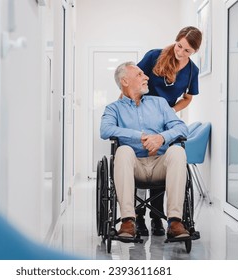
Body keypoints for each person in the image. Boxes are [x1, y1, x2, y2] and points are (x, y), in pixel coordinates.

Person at [100, 61, 189, 239]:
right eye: (140, 74)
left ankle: (175, 221)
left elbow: (182, 128)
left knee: (178, 151)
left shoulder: (160, 103)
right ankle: (127, 221)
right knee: (123, 151)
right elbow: (105, 130)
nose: (146, 77)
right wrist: (137, 136)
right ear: (125, 81)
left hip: (160, 164)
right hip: (134, 167)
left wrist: (161, 138)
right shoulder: (113, 108)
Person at [136, 26, 202, 236]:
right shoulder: (155, 56)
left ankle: (156, 217)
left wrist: (170, 111)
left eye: (187, 51)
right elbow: (134, 81)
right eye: (179, 46)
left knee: (160, 162)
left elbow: (188, 98)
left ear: (194, 52)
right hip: (140, 115)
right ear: (176, 40)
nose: (180, 52)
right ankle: (137, 216)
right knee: (139, 160)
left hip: (164, 121)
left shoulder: (193, 71)